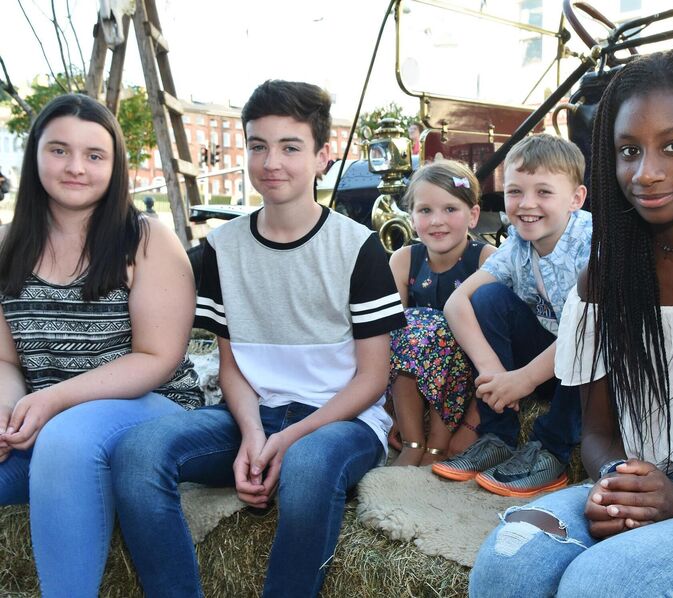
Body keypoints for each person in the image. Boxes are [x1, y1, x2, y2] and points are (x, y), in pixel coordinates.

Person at [469, 47, 673, 597]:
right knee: (509, 564)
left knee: (604, 584)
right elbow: (598, 433)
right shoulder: (607, 277)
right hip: (662, 494)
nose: (646, 174)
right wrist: (618, 482)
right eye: (628, 150)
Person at [111, 80, 407, 597]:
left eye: (291, 147)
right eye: (257, 145)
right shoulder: (223, 248)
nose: (271, 161)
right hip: (254, 413)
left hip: (341, 419)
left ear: (322, 157)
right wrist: (253, 435)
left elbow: (372, 378)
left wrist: (287, 441)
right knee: (138, 452)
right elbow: (231, 365)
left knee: (309, 466)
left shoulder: (358, 248)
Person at [0, 94, 201, 597]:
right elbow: (4, 360)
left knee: (69, 438)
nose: (75, 167)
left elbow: (158, 357)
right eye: (59, 150)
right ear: (35, 156)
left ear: (115, 167)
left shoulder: (146, 239)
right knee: (59, 440)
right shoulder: (5, 247)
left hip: (149, 411)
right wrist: (8, 416)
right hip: (45, 426)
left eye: (94, 155)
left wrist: (49, 402)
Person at [433, 133, 591, 498]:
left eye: (544, 192)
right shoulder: (518, 244)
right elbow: (456, 303)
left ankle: (552, 449)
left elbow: (588, 332)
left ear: (576, 198)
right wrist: (494, 372)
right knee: (487, 298)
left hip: (590, 371)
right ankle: (498, 436)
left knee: (596, 330)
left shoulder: (592, 244)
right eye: (515, 191)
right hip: (548, 363)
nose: (526, 204)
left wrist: (523, 380)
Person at [387, 160, 495, 467]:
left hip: (464, 370)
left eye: (450, 209)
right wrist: (387, 407)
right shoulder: (404, 259)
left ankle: (438, 444)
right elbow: (386, 334)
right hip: (412, 368)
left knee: (438, 327)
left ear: (473, 215)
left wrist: (473, 423)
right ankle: (412, 440)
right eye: (425, 211)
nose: (437, 221)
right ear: (411, 217)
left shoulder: (486, 259)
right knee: (406, 324)